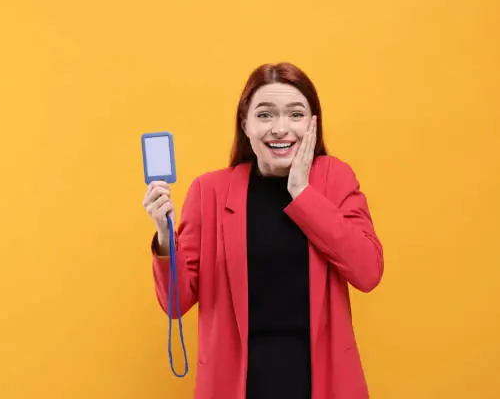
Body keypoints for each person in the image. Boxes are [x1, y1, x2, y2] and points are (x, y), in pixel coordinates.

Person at [142, 62, 384, 399]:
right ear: (246, 124)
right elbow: (176, 302)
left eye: (295, 115)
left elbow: (368, 272)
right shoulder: (209, 191)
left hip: (321, 380)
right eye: (265, 115)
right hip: (236, 383)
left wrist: (303, 194)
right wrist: (166, 239)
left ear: (313, 123)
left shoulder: (335, 178)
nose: (280, 129)